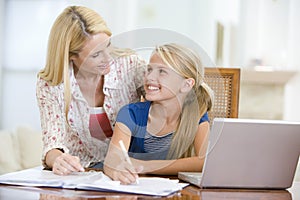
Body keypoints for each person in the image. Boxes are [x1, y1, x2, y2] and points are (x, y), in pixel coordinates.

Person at [36, 6, 146, 175]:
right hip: (81, 174)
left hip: (129, 170)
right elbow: (53, 143)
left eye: (108, 46)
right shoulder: (51, 84)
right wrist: (58, 159)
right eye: (96, 55)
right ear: (71, 55)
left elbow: (165, 100)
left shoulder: (130, 65)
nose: (108, 58)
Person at [103, 43, 214, 184]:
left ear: (186, 85)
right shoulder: (131, 113)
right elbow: (114, 157)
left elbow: (204, 161)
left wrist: (145, 166)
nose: (150, 77)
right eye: (149, 69)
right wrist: (115, 166)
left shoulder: (197, 115)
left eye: (162, 71)